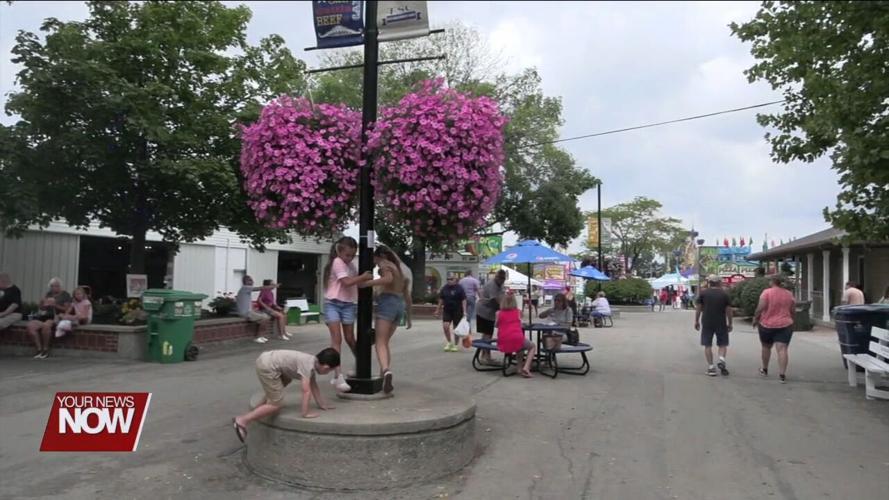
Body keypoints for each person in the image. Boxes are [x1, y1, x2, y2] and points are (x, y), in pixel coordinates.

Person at [232, 347, 340, 442]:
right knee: (276, 404)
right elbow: (306, 391)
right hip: (268, 366)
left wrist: (322, 404)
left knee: (285, 381)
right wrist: (305, 413)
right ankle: (242, 421)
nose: (328, 373)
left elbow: (314, 386)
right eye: (330, 371)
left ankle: (259, 408)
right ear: (326, 367)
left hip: (268, 360)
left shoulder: (311, 361)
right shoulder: (307, 366)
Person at [322, 236, 373, 392]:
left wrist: (379, 280)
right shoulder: (337, 262)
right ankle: (338, 375)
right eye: (348, 255)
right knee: (336, 339)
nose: (350, 258)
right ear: (339, 251)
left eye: (352, 255)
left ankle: (360, 365)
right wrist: (363, 276)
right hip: (333, 303)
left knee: (350, 338)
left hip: (348, 304)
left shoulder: (350, 265)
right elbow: (347, 282)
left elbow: (359, 282)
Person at [358, 245, 407, 394]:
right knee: (385, 343)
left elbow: (387, 279)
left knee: (379, 342)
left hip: (388, 303)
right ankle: (383, 375)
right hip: (399, 305)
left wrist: (366, 284)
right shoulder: (398, 267)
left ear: (379, 256)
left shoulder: (384, 264)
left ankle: (386, 371)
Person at [753, 276, 796, 383]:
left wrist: (755, 318)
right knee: (782, 349)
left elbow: (760, 307)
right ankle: (782, 374)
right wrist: (792, 320)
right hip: (785, 324)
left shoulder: (766, 292)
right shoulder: (789, 294)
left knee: (766, 347)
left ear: (772, 282)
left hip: (767, 324)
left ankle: (765, 368)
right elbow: (792, 309)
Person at [694, 275, 733, 377]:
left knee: (707, 345)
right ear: (719, 282)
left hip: (707, 322)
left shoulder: (703, 293)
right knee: (723, 344)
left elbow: (698, 308)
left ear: (709, 282)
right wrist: (730, 323)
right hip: (721, 322)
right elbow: (729, 310)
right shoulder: (725, 294)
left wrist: (696, 321)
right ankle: (721, 359)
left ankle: (711, 368)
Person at [26, 278, 72, 359]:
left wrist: (55, 305)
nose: (54, 288)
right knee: (31, 326)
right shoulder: (48, 294)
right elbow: (42, 309)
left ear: (60, 286)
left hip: (58, 317)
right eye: (52, 286)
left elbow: (67, 309)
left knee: (46, 326)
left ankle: (45, 349)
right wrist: (42, 303)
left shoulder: (65, 295)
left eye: (57, 286)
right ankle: (39, 349)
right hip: (46, 315)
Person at [496, 292, 537, 378]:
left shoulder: (498, 313)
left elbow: (496, 325)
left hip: (503, 338)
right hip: (516, 336)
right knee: (532, 346)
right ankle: (526, 367)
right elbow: (520, 323)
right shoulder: (518, 312)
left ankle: (519, 368)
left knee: (520, 347)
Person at [475, 269, 507, 365]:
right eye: (500, 278)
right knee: (487, 334)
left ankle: (484, 356)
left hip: (489, 312)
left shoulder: (499, 285)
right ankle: (486, 357)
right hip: (484, 311)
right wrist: (506, 309)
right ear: (496, 277)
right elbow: (496, 300)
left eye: (503, 278)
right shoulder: (492, 285)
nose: (502, 280)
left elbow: (502, 296)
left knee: (487, 334)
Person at [236, 275, 277, 345]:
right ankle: (257, 337)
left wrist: (254, 309)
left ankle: (260, 335)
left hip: (248, 311)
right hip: (245, 313)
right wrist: (272, 286)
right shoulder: (245, 288)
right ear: (246, 281)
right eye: (250, 280)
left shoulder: (246, 289)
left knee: (264, 316)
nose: (252, 282)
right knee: (264, 317)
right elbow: (260, 288)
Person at [436, 273, 467, 352]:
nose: (449, 281)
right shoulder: (444, 288)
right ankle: (449, 342)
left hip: (457, 310)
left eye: (451, 279)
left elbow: (464, 300)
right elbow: (441, 299)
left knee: (456, 329)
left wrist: (464, 311)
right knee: (445, 326)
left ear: (455, 280)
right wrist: (437, 309)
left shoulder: (460, 288)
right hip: (447, 310)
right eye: (448, 279)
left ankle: (456, 344)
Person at [458, 270, 480, 339]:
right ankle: (468, 330)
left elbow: (459, 290)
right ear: (471, 274)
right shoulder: (474, 280)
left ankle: (464, 329)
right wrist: (481, 298)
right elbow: (478, 290)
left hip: (463, 299)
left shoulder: (461, 281)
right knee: (469, 315)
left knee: (464, 314)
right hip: (471, 298)